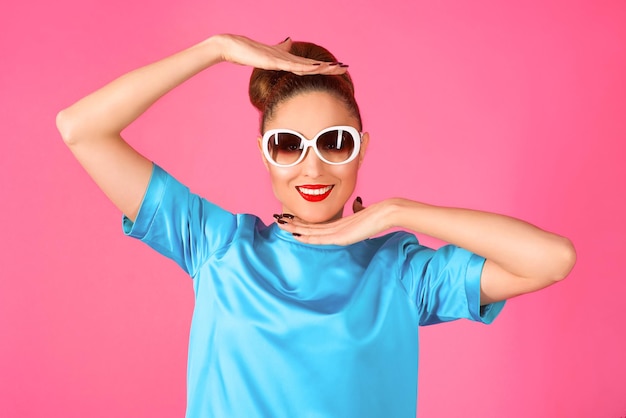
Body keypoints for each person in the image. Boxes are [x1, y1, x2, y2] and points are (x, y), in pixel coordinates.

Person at [56, 34, 576, 418]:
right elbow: (81, 129)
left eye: (334, 143)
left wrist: (396, 212)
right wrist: (215, 49)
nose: (312, 168)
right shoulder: (219, 245)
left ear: (360, 150)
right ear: (266, 156)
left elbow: (552, 259)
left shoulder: (399, 271)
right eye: (288, 145)